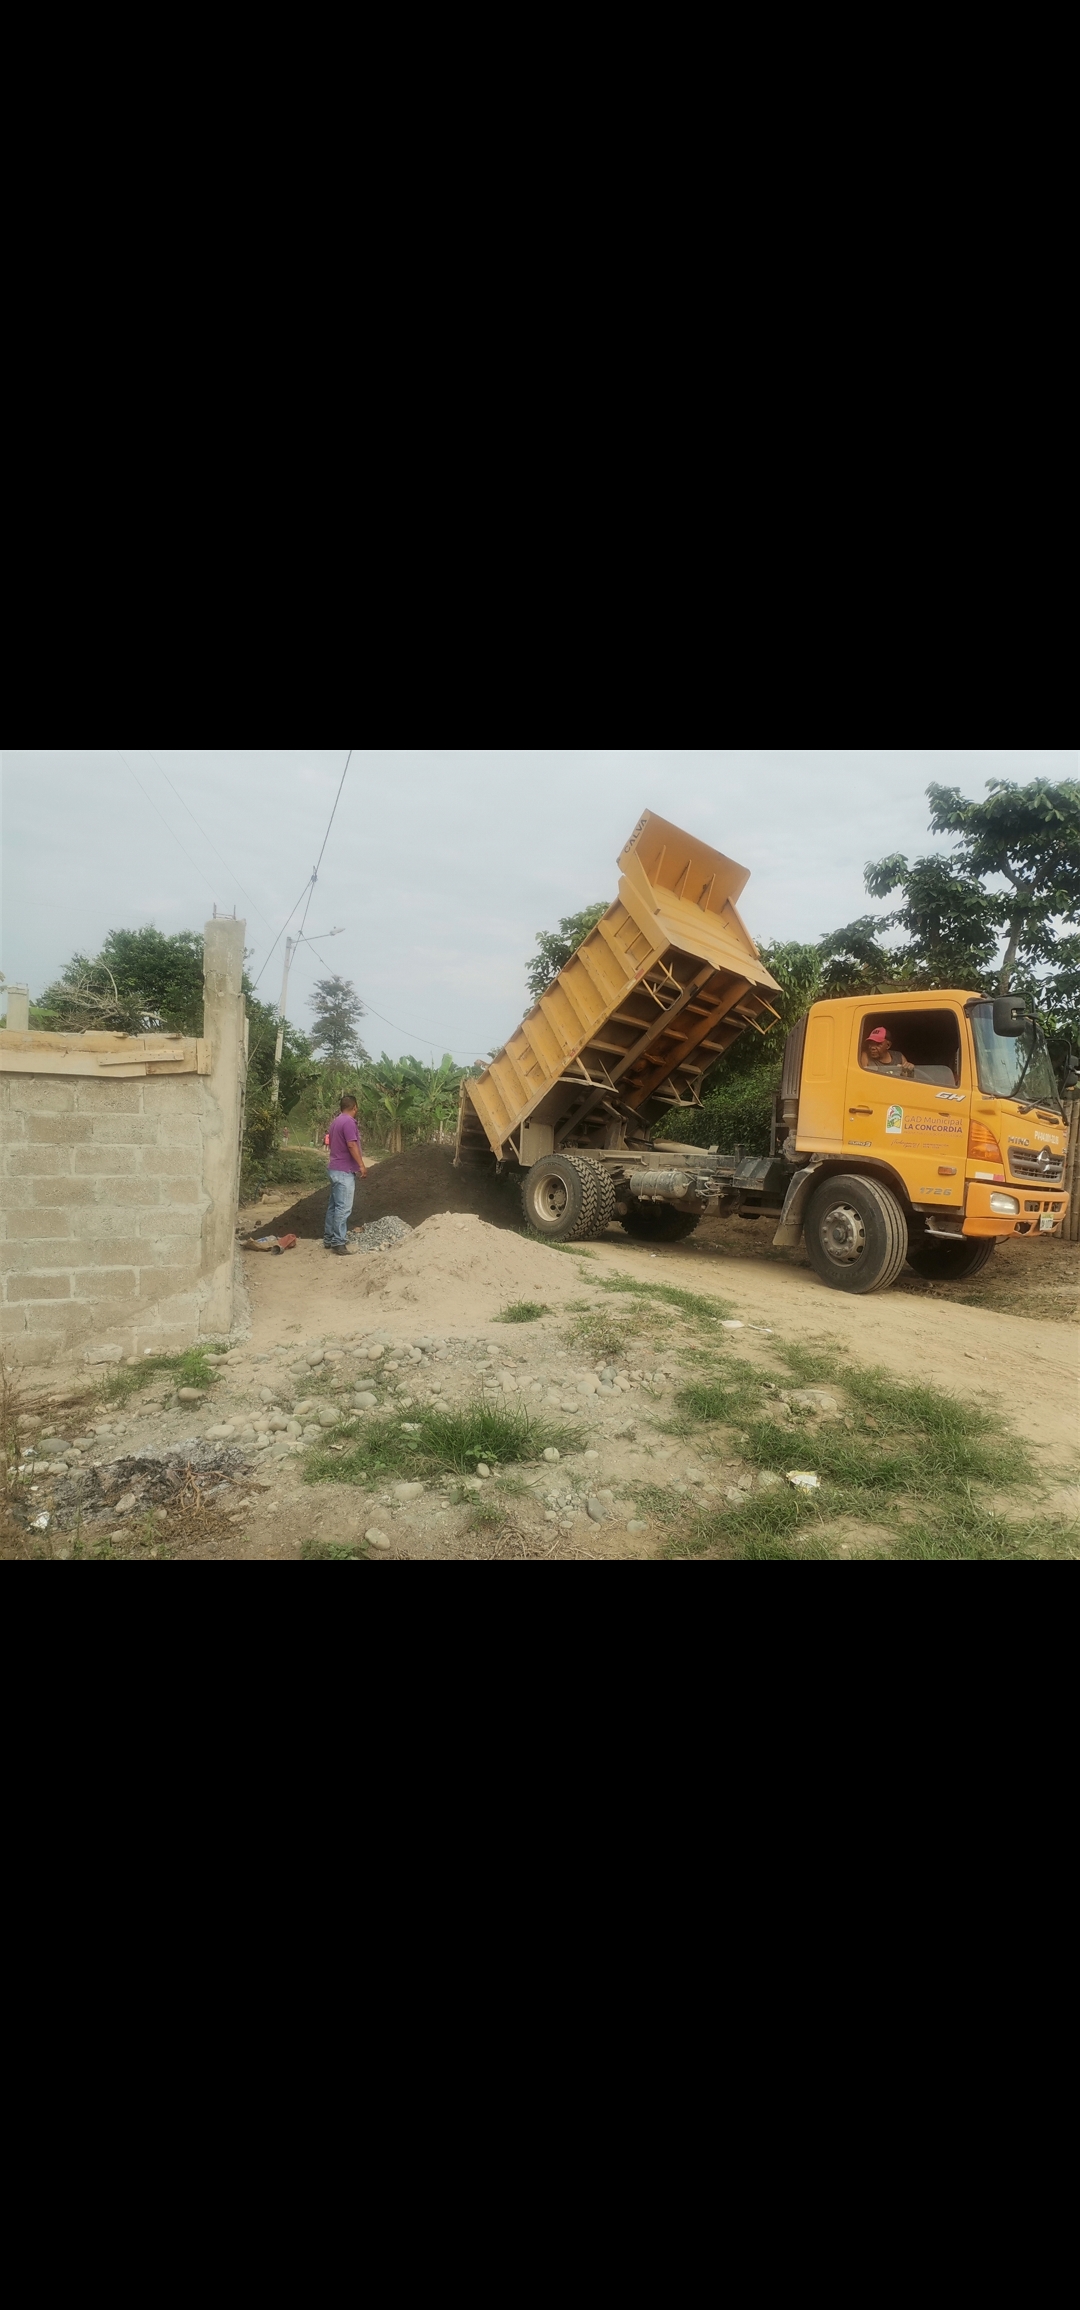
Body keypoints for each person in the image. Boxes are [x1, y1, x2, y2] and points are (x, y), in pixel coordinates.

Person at [324, 1095, 366, 1254]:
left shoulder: (335, 1121)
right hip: (344, 1171)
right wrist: (361, 1165)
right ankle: (338, 1242)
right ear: (355, 1107)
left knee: (334, 1206)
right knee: (344, 1208)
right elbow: (351, 1144)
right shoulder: (349, 1122)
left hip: (334, 1168)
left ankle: (329, 1238)